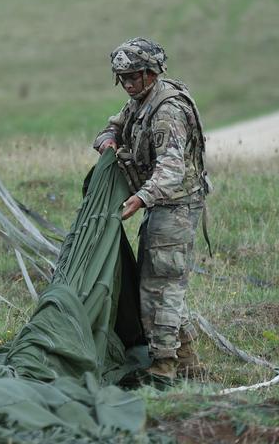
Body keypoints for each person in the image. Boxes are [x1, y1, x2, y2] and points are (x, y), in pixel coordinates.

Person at [93, 37, 211, 382]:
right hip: (163, 206)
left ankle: (164, 366)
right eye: (123, 78)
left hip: (174, 207)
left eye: (134, 76)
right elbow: (114, 124)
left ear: (151, 73)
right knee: (160, 281)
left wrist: (141, 198)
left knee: (160, 288)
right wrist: (109, 139)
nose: (128, 84)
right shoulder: (143, 100)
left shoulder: (166, 112)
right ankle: (190, 365)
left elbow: (171, 171)